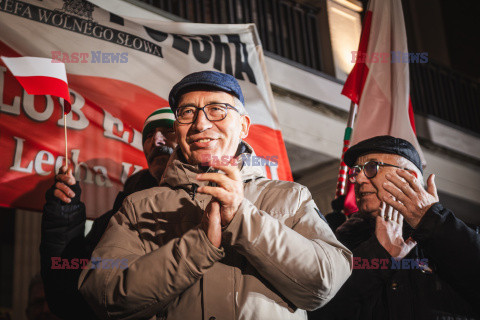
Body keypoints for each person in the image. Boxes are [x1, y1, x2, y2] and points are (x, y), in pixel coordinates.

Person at [78, 71, 353, 320]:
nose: (200, 123)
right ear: (177, 129)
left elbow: (324, 282)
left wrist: (242, 217)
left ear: (244, 125)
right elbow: (104, 296)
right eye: (187, 112)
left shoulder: (290, 197)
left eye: (217, 110)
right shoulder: (139, 206)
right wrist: (199, 246)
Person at [310, 135, 480, 320]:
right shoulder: (335, 244)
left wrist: (432, 222)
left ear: (410, 177)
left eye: (371, 167)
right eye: (356, 171)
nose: (358, 179)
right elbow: (315, 312)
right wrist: (377, 255)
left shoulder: (460, 235)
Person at [40, 107, 177, 320]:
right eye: (149, 136)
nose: (156, 140)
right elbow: (69, 297)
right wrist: (64, 216)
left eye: (169, 132)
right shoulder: (118, 215)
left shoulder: (212, 205)